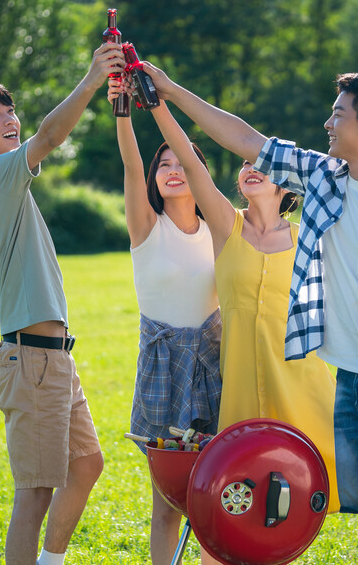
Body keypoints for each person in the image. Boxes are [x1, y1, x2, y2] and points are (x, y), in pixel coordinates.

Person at [136, 63, 358, 565]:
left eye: (338, 115)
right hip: (340, 382)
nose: (329, 123)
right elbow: (243, 139)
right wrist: (167, 93)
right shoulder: (327, 180)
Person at [112, 81, 343, 514]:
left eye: (264, 166)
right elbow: (191, 165)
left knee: (332, 484)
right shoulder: (225, 226)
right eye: (245, 163)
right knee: (236, 497)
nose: (252, 167)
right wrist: (154, 102)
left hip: (298, 378)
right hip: (235, 382)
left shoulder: (307, 238)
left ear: (288, 187)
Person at [0, 41, 124, 565]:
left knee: (86, 464)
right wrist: (91, 79)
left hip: (46, 354)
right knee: (36, 489)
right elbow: (50, 136)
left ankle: (50, 561)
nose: (10, 120)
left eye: (10, 110)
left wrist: (21, 328)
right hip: (36, 356)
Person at [114, 110, 223, 565]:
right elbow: (132, 165)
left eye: (183, 162)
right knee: (167, 498)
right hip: (162, 366)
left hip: (214, 364)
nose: (173, 170)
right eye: (165, 164)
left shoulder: (220, 230)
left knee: (216, 483)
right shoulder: (146, 227)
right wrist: (122, 110)